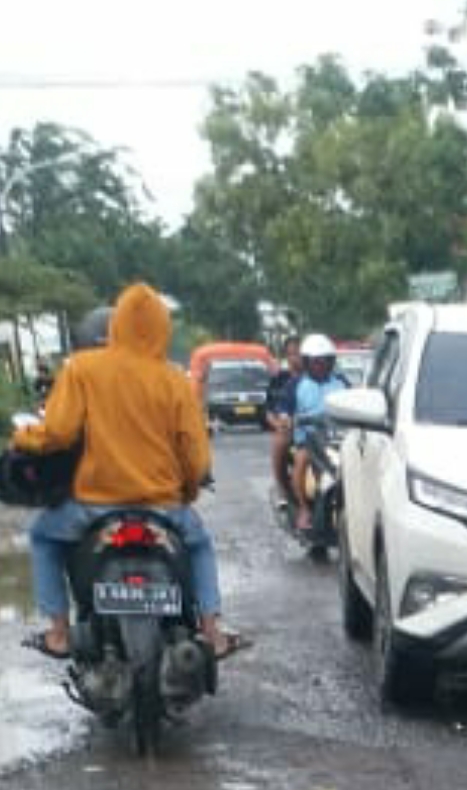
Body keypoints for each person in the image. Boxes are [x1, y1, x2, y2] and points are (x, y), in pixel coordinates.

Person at [9, 282, 243, 661]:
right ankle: (213, 631)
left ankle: (57, 631)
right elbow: (196, 457)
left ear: (117, 325)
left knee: (42, 537)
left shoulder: (82, 369)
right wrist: (186, 492)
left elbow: (58, 432)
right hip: (162, 507)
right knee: (199, 545)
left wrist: (23, 437)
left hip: (92, 506)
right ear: (161, 329)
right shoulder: (174, 380)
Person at [288, 333, 348, 532]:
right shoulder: (296, 385)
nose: (321, 366)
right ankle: (304, 509)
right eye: (316, 362)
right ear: (307, 363)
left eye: (325, 361)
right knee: (301, 462)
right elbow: (284, 412)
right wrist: (288, 420)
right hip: (308, 439)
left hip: (338, 437)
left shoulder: (341, 382)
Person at [264, 334, 302, 503]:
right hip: (289, 426)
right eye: (291, 354)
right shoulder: (281, 380)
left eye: (298, 353)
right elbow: (270, 411)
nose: (295, 358)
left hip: (318, 427)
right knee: (280, 440)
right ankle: (283, 486)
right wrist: (279, 424)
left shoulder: (322, 378)